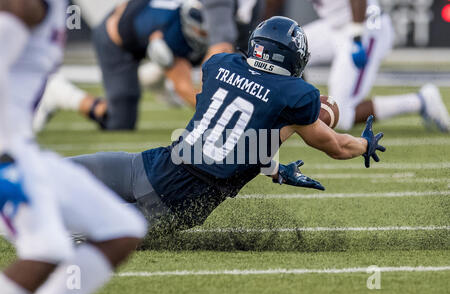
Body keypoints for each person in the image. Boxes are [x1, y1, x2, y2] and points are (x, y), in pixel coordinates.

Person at [69, 16, 385, 234]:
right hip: (185, 198)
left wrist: (271, 166)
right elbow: (334, 145)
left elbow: (235, 129)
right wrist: (364, 144)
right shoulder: (295, 95)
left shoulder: (221, 65)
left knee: (62, 173)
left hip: (153, 164)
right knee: (91, 235)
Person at [0, 0, 147, 294]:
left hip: (22, 149)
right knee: (47, 248)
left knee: (121, 228)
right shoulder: (27, 6)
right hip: (8, 150)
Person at [34, 0, 209, 132]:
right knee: (120, 122)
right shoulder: (172, 32)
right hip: (115, 42)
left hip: (140, 34)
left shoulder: (182, 17)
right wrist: (215, 114)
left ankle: (152, 81)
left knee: (166, 56)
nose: (205, 35)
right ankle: (59, 93)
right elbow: (183, 87)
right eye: (201, 32)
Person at [302, 0, 450, 132]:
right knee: (285, 46)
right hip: (334, 25)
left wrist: (357, 35)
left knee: (340, 116)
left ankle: (420, 101)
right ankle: (298, 105)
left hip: (365, 25)